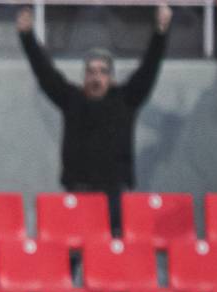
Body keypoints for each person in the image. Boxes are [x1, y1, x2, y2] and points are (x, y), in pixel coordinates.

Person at [17, 4, 171, 233]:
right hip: (78, 190)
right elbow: (44, 73)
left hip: (115, 194)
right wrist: (27, 36)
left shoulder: (126, 99)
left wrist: (160, 32)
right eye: (91, 71)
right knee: (72, 254)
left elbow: (149, 68)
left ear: (111, 78)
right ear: (84, 76)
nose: (96, 76)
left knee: (112, 255)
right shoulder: (71, 99)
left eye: (102, 71)